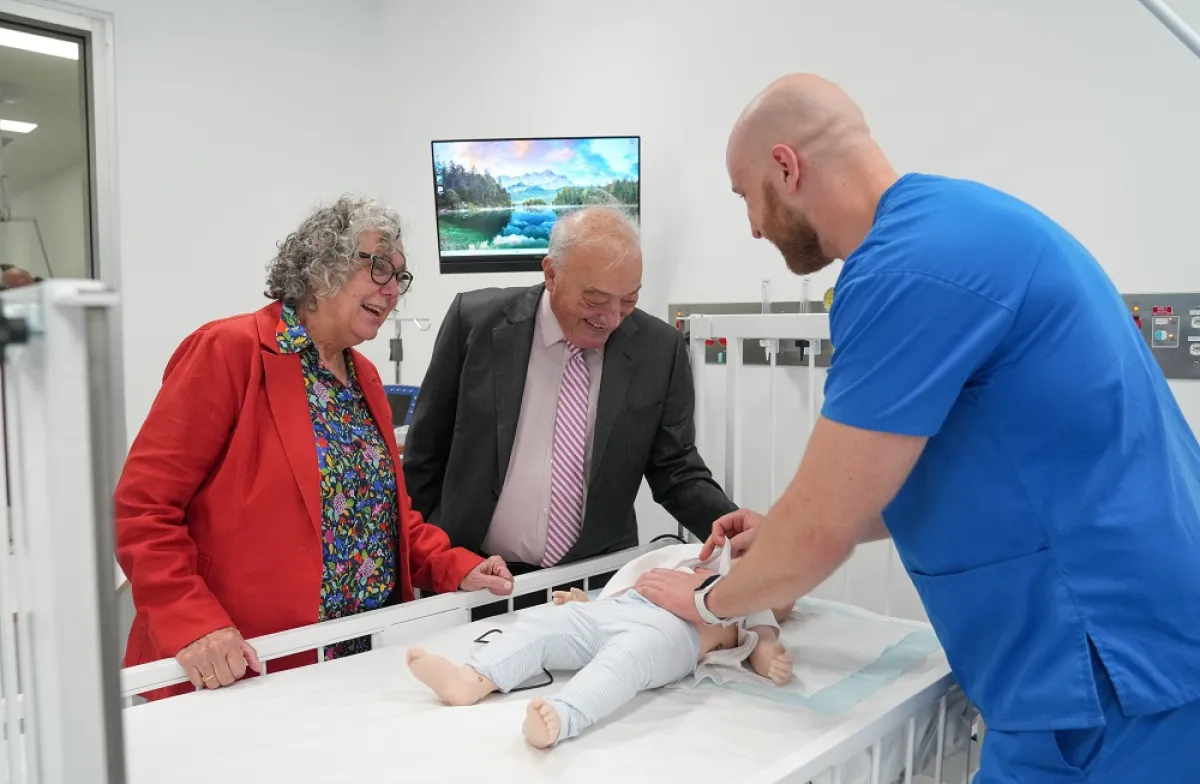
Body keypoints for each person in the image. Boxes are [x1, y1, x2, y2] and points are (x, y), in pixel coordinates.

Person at [634, 74, 1200, 783]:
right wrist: (776, 530)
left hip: (1108, 668)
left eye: (746, 195)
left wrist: (706, 598)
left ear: (787, 166)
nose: (751, 224)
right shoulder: (963, 223)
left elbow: (823, 530)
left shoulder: (906, 270)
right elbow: (920, 473)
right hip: (1134, 640)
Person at [115, 196, 514, 700]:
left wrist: (454, 565)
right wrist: (192, 622)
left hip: (355, 659)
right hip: (242, 664)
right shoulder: (229, 351)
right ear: (323, 265)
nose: (393, 292)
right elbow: (144, 508)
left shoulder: (362, 376)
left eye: (401, 279)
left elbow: (379, 514)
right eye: (379, 269)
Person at [403, 204, 737, 573]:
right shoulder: (476, 323)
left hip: (593, 576)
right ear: (551, 273)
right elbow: (425, 456)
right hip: (475, 572)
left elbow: (675, 467)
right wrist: (429, 561)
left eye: (628, 300)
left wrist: (736, 534)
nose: (610, 318)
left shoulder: (658, 349)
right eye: (594, 299)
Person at [406, 543, 793, 748]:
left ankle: (561, 718)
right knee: (543, 623)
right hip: (620, 608)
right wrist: (587, 607)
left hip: (673, 634)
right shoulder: (688, 562)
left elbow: (764, 640)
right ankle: (470, 679)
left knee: (624, 661)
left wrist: (768, 655)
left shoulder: (748, 600)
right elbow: (630, 588)